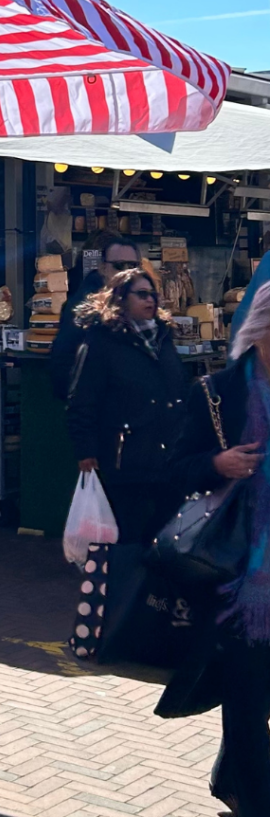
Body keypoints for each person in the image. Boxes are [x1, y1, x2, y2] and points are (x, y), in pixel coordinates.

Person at [165, 282, 270, 816]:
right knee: (247, 700)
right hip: (235, 575)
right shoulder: (218, 392)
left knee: (258, 698)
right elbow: (176, 468)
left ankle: (236, 775)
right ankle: (254, 800)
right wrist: (217, 464)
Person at [66, 268, 187, 543]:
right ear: (121, 298)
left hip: (168, 459)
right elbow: (82, 398)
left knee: (167, 540)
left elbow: (177, 390)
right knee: (130, 541)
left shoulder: (164, 339)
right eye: (141, 294)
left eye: (153, 295)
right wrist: (85, 450)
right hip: (126, 460)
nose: (150, 301)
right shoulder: (101, 342)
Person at [50, 233, 141, 400]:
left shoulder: (130, 300)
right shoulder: (88, 305)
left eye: (133, 266)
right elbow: (64, 364)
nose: (127, 272)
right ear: (103, 268)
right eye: (119, 266)